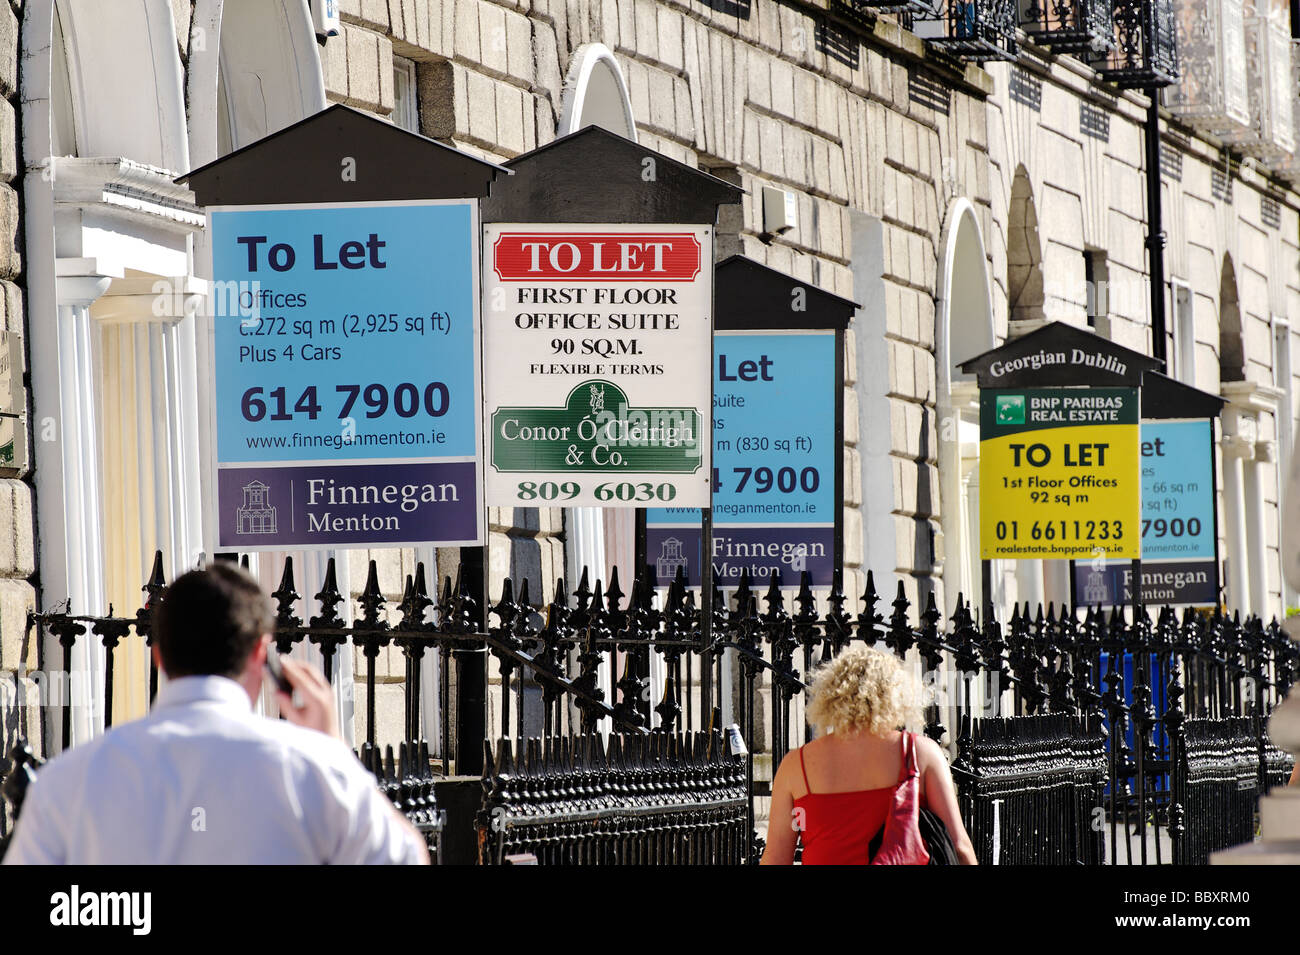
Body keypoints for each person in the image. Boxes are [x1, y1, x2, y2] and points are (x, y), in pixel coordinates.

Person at [3, 563, 429, 865]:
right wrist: (335, 748)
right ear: (262, 653)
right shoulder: (317, 771)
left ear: (158, 655)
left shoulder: (68, 780)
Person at [761, 644, 977, 865]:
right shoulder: (919, 753)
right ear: (897, 694)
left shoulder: (796, 765)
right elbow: (960, 847)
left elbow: (776, 857)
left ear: (831, 696)